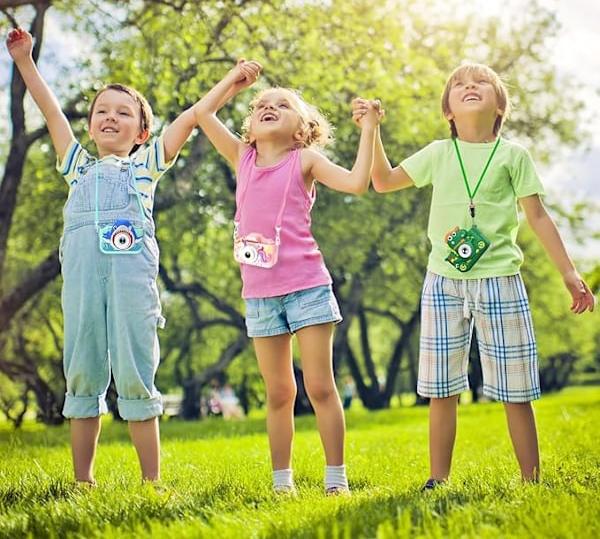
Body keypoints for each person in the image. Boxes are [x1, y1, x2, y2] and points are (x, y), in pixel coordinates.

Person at [358, 62, 595, 491]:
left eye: (481, 82)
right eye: (460, 85)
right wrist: (371, 129)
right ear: (448, 110)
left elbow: (538, 217)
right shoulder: (438, 153)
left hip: (501, 280)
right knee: (441, 386)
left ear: (499, 105)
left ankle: (531, 480)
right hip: (442, 282)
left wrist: (570, 271)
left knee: (515, 385)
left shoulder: (512, 155)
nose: (470, 86)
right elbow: (382, 180)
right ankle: (437, 479)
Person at [6, 27, 206, 485]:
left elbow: (191, 118)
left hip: (131, 285)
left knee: (136, 370)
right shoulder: (77, 168)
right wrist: (24, 61)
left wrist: (230, 84)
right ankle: (83, 481)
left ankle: (151, 482)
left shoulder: (145, 167)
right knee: (82, 369)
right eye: (101, 111)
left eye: (123, 112)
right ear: (91, 123)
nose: (110, 117)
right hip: (81, 285)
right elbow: (51, 111)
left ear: (143, 131)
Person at [193, 58, 381, 495]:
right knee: (279, 393)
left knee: (319, 385)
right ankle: (283, 484)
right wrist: (235, 82)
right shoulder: (243, 158)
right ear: (251, 126)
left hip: (307, 287)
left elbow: (356, 183)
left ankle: (336, 479)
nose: (268, 106)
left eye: (282, 104)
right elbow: (203, 114)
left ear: (302, 129)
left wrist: (369, 129)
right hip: (260, 294)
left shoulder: (305, 160)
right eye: (261, 104)